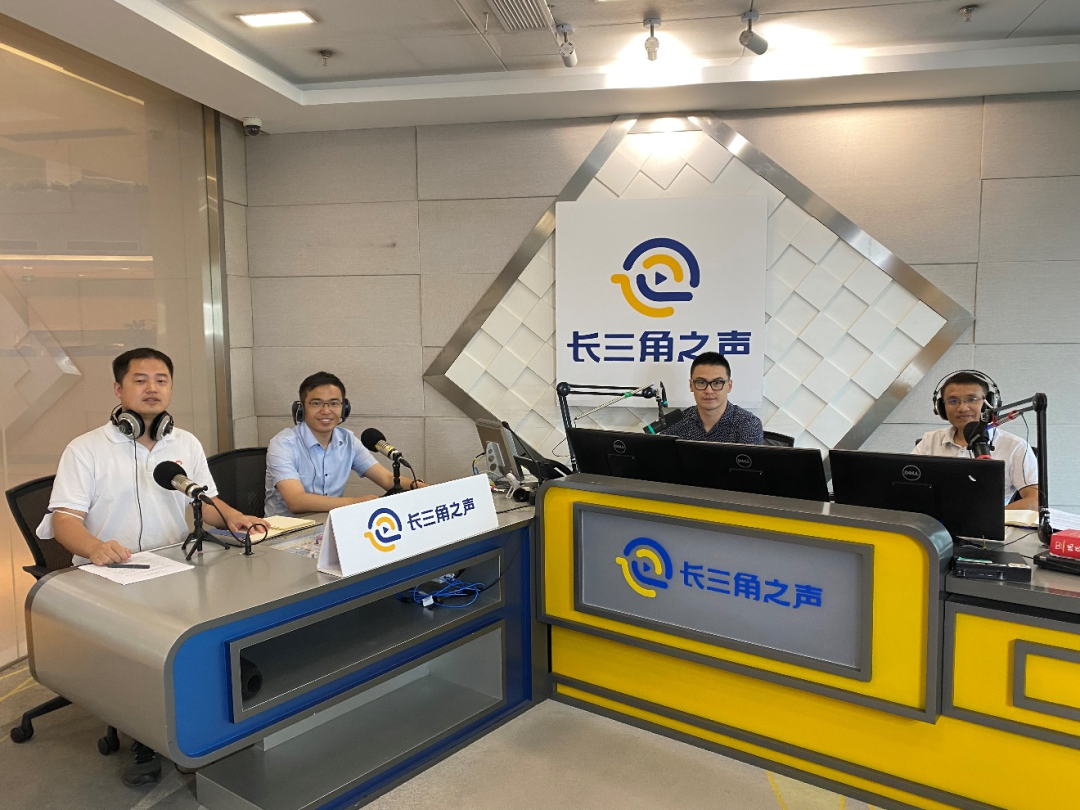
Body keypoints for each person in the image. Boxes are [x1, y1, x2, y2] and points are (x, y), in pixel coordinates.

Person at [38, 347, 269, 787]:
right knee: (141, 654)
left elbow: (204, 501)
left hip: (175, 566)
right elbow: (64, 520)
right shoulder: (85, 449)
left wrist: (233, 516)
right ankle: (144, 738)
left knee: (201, 640)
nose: (152, 388)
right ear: (118, 389)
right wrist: (94, 546)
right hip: (111, 577)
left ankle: (198, 730)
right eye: (140, 380)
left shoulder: (185, 444)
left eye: (161, 380)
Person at [264, 371, 423, 517]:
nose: (326, 411)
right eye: (316, 403)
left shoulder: (348, 440)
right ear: (301, 409)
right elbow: (296, 501)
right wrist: (355, 503)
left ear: (344, 408)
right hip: (283, 533)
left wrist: (425, 489)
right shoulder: (283, 444)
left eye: (334, 403)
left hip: (330, 528)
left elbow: (388, 479)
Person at [914, 369, 1038, 510]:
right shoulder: (930, 440)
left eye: (972, 399)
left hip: (991, 522)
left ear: (989, 403)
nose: (962, 408)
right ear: (942, 408)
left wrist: (990, 517)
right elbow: (907, 485)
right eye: (953, 401)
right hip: (935, 522)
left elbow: (1035, 500)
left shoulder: (1015, 446)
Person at [660, 352, 763, 444]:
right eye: (701, 382)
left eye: (717, 383)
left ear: (729, 386)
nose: (709, 391)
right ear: (691, 386)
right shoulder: (675, 424)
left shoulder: (748, 424)